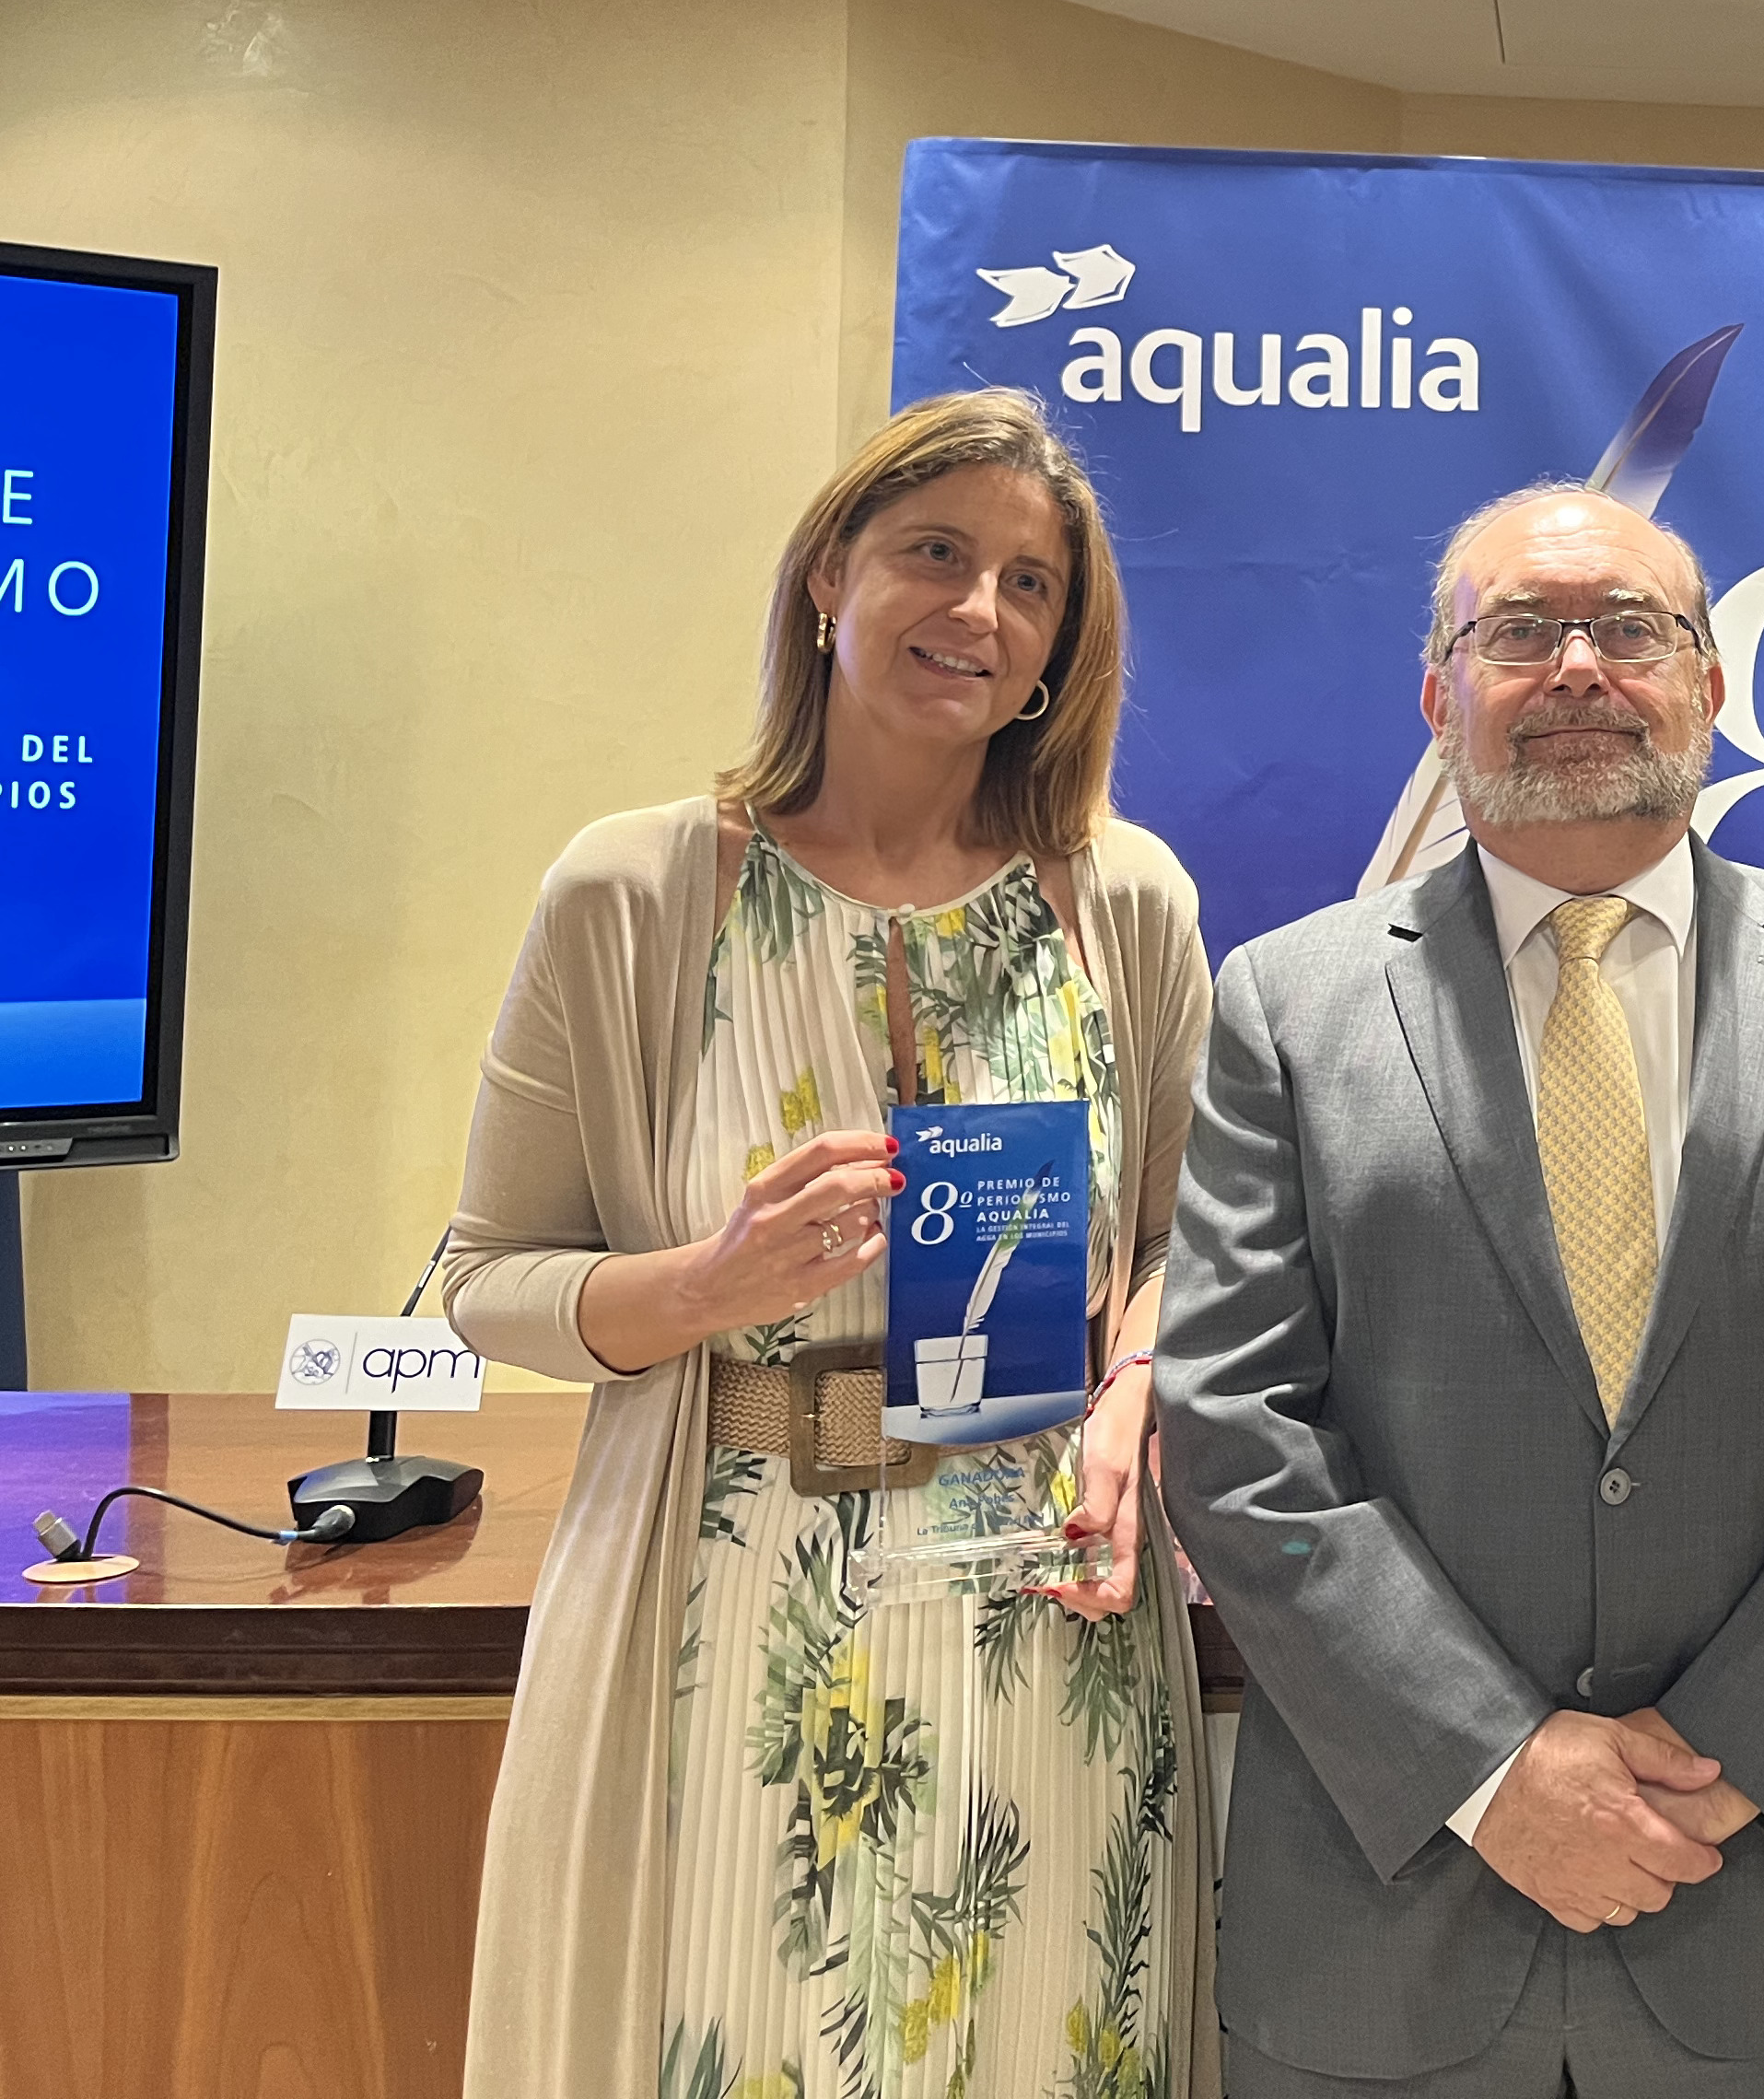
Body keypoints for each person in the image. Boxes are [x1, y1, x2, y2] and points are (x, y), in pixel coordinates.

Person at [1153, 483, 1764, 2099]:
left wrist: (1732, 1750)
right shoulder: (1286, 1003)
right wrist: (1489, 1766)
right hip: (1386, 1917)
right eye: (1520, 633)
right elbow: (1234, 1431)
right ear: (1439, 695)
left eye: (1630, 629)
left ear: (1710, 683)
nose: (1576, 669)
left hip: (1759, 1901)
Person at [445, 390, 1218, 2099]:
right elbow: (484, 1281)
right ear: (827, 579)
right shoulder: (638, 892)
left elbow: (1194, 1246)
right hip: (729, 1609)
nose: (978, 610)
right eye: (935, 552)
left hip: (1042, 1615)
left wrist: (1132, 1398)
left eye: (1030, 584)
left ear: (1059, 648)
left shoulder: (1126, 901)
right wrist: (705, 1286)